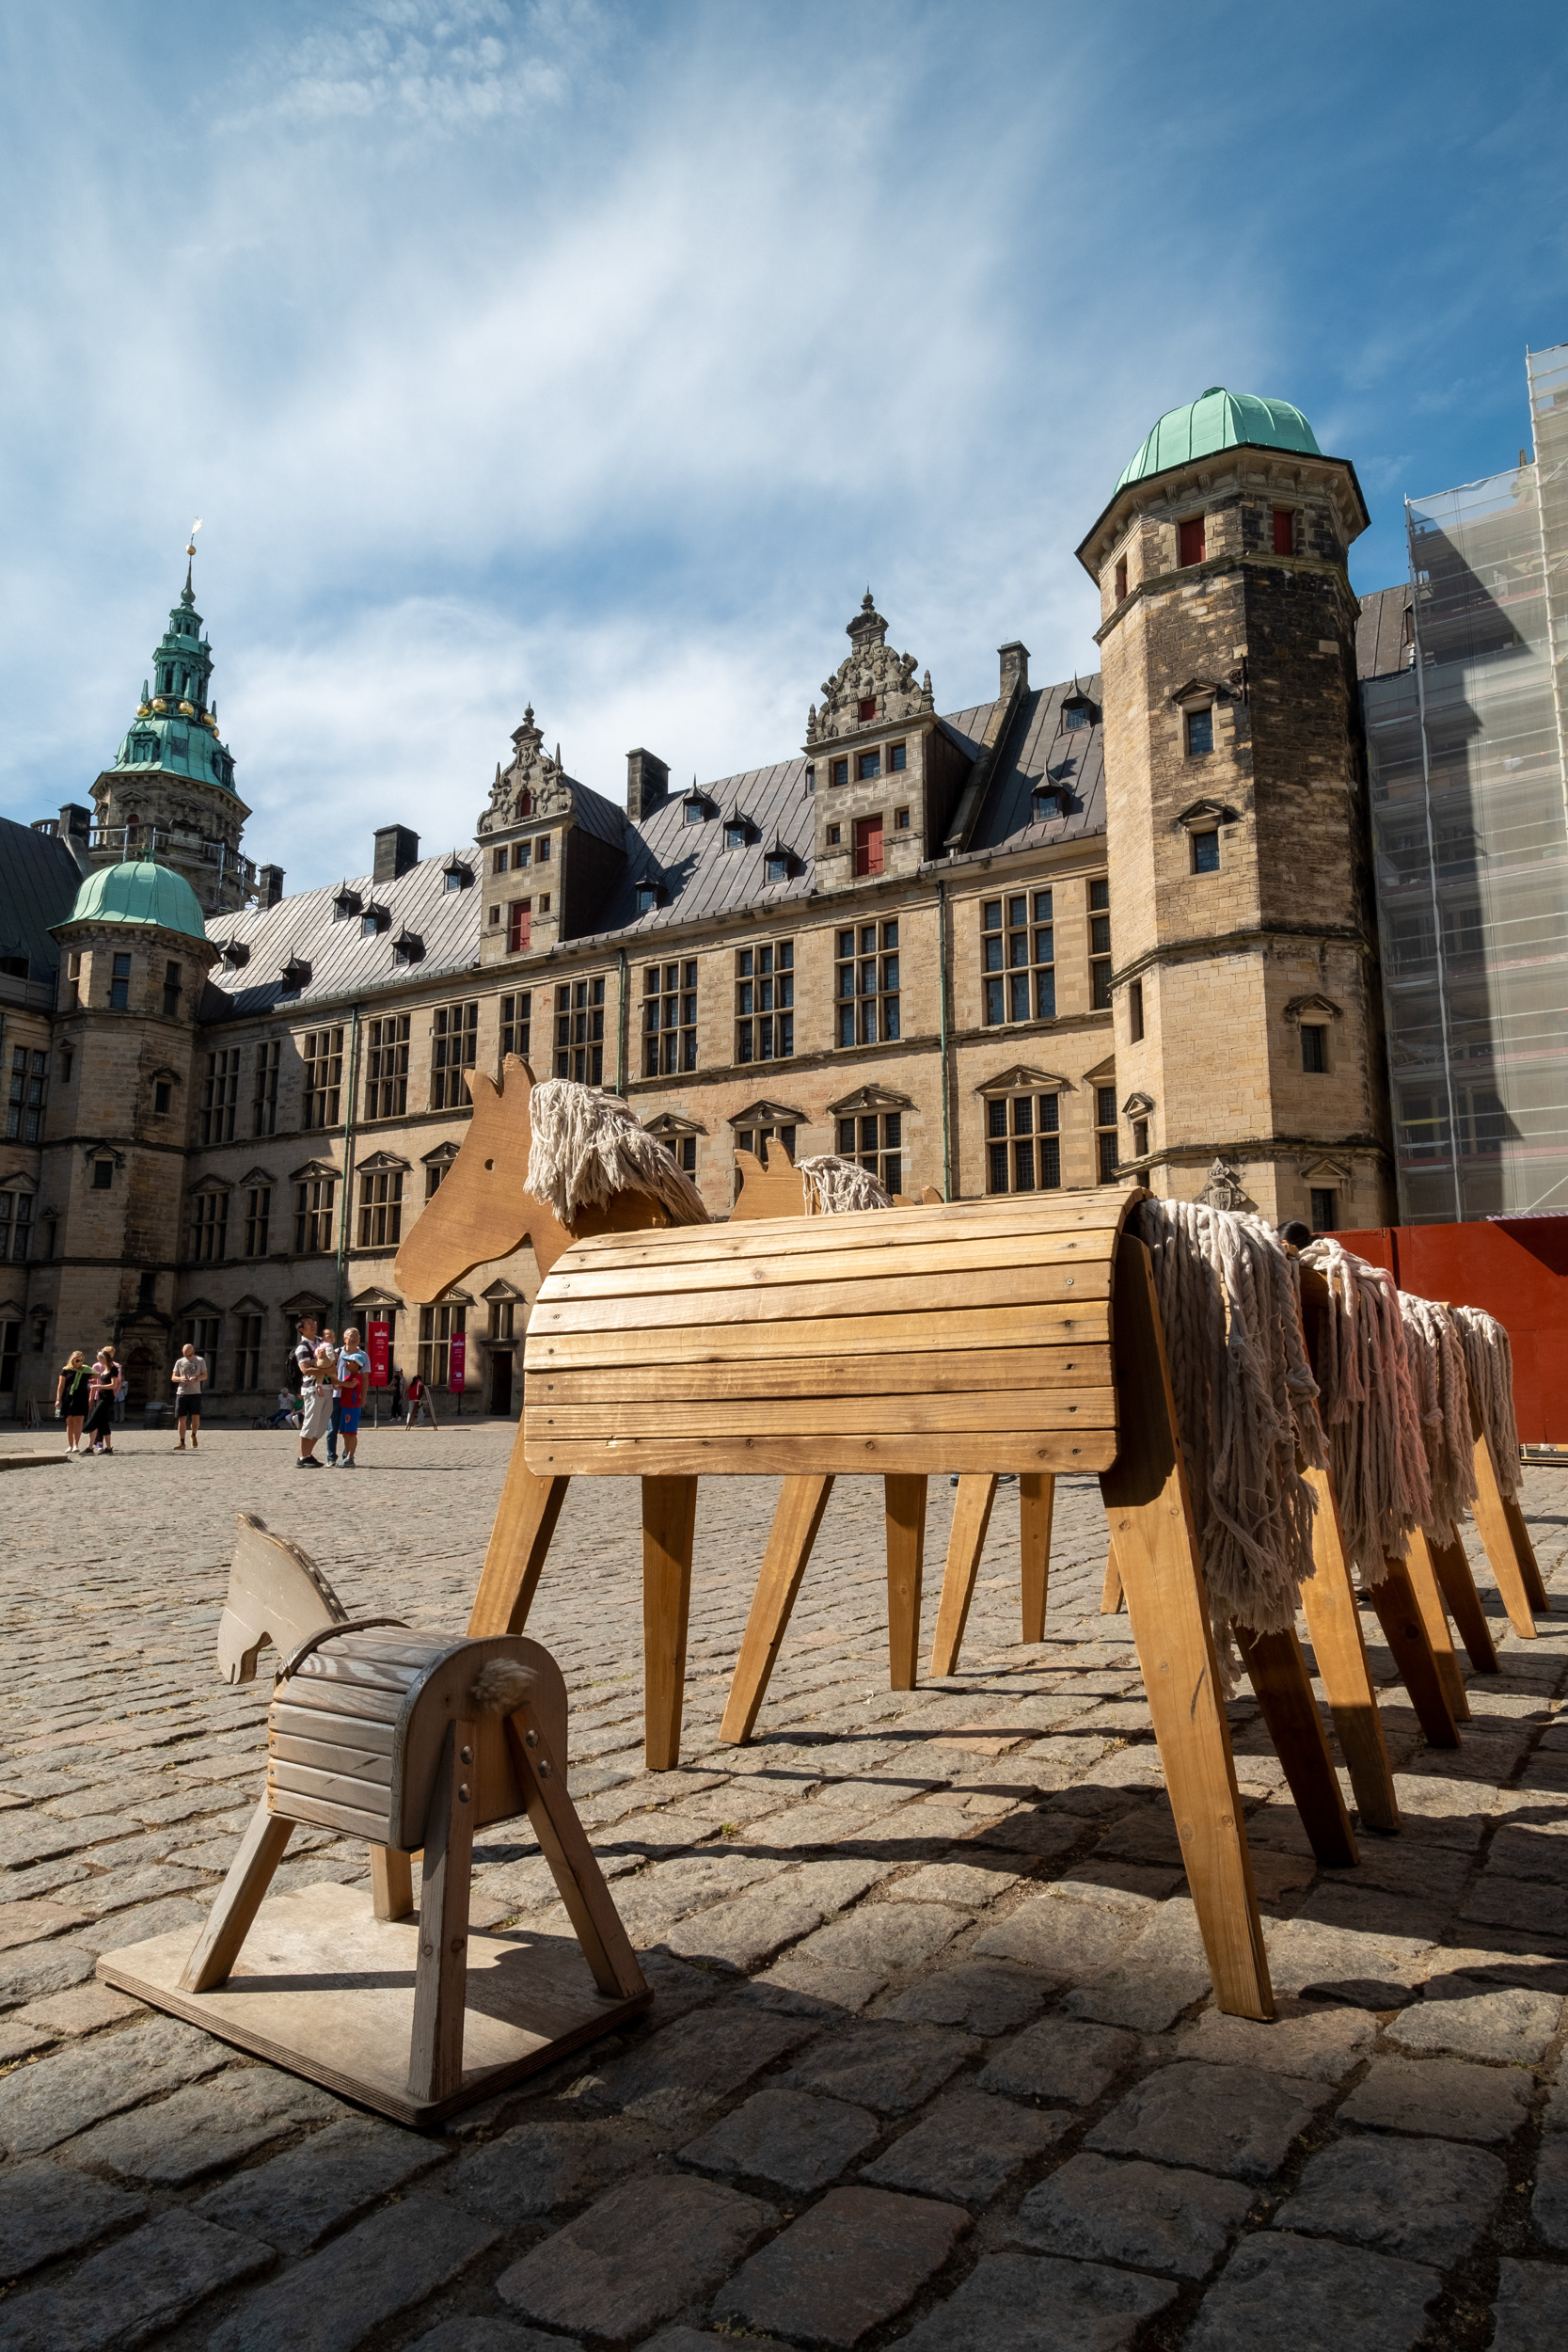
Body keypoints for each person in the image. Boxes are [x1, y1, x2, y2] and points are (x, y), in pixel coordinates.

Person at [294, 1317, 330, 1468]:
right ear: (301, 1329)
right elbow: (305, 1369)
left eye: (314, 1322)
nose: (313, 1324)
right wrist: (326, 1369)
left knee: (322, 1425)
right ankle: (303, 1457)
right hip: (312, 1387)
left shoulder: (321, 1342)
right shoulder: (302, 1347)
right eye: (309, 1323)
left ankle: (308, 1454)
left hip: (327, 1386)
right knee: (310, 1421)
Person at [334, 1326, 371, 1467]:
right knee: (344, 1432)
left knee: (351, 1432)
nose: (346, 1363)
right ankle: (346, 1456)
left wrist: (339, 1383)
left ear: (356, 1365)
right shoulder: (350, 1374)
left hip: (352, 1406)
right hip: (345, 1405)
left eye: (349, 1362)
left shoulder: (356, 1377)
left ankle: (350, 1457)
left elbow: (351, 1385)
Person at [170, 1340, 207, 1449]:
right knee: (181, 1418)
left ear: (193, 1352)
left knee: (195, 1417)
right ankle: (182, 1442)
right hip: (182, 1393)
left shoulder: (200, 1361)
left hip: (195, 1393)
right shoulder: (179, 1362)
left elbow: (205, 1375)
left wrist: (196, 1378)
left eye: (188, 1354)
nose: (186, 1356)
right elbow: (173, 1377)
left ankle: (193, 1435)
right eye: (184, 1354)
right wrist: (180, 1378)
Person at [84, 1352, 120, 1454]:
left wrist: (97, 1387)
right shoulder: (105, 1370)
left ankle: (87, 1431)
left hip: (107, 1398)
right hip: (101, 1397)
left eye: (100, 1359)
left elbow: (114, 1385)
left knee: (95, 1419)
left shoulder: (113, 1369)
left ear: (105, 1359)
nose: (98, 1361)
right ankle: (105, 1448)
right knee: (103, 1423)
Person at [55, 1350, 90, 1453]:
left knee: (79, 1420)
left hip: (81, 1397)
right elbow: (61, 1386)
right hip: (68, 1397)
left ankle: (76, 1445)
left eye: (82, 1360)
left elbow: (98, 1376)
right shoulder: (65, 1370)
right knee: (69, 1421)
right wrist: (58, 1399)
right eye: (78, 1360)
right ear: (73, 1360)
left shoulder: (85, 1370)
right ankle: (70, 1445)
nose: (80, 1362)